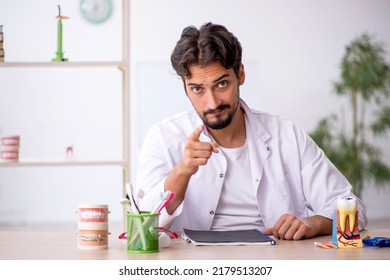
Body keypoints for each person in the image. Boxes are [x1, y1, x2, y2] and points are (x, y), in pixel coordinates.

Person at [135, 22, 367, 240]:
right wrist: (181, 172)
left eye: (222, 84)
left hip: (277, 260)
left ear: (241, 75)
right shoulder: (163, 138)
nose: (212, 102)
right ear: (185, 88)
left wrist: (313, 223)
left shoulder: (286, 135)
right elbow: (140, 227)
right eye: (197, 89)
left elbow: (353, 210)